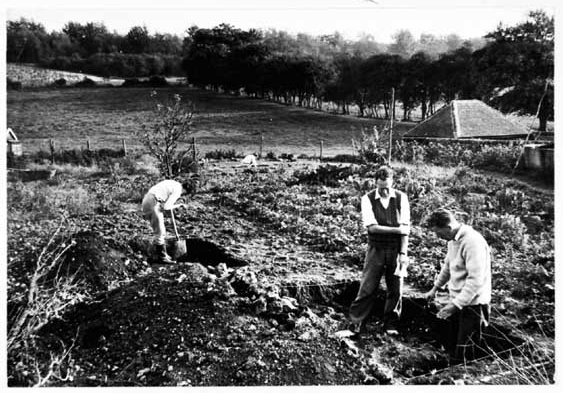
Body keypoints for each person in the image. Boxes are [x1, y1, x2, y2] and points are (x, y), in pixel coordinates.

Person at [422, 208, 492, 363]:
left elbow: (476, 280)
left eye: (438, 233)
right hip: (459, 302)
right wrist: (435, 289)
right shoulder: (453, 240)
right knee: (453, 347)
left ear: (448, 227)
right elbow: (448, 266)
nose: (438, 237)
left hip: (474, 305)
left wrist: (455, 305)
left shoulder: (473, 242)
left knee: (467, 353)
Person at [349, 166, 411, 336]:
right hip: (376, 248)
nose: (384, 191)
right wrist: (397, 230)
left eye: (387, 187)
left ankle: (390, 323)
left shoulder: (401, 198)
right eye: (381, 187)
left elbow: (406, 227)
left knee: (396, 287)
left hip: (396, 249)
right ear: (376, 183)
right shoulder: (367, 199)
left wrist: (403, 254)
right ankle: (357, 323)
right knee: (368, 286)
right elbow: (372, 228)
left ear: (393, 183)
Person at [141, 179, 195, 264]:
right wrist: (179, 205)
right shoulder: (178, 190)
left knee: (160, 230)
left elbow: (164, 201)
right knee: (160, 232)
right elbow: (166, 207)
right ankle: (162, 257)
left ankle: (163, 255)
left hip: (148, 199)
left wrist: (169, 205)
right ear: (186, 191)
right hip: (153, 202)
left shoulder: (174, 183)